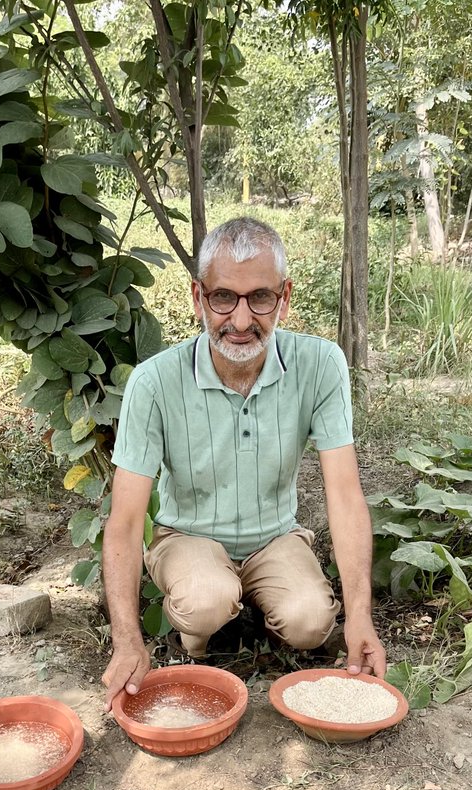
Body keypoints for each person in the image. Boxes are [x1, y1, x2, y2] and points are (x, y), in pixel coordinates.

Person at [101, 216, 386, 709]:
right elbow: (125, 521)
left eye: (260, 297)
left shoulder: (321, 365)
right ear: (198, 298)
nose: (239, 320)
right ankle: (199, 637)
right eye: (223, 298)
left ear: (284, 297)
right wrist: (127, 637)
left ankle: (262, 615)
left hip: (275, 537)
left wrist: (360, 615)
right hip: (187, 536)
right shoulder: (154, 382)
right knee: (205, 600)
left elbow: (344, 495)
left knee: (312, 621)